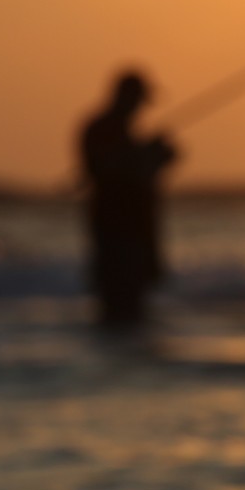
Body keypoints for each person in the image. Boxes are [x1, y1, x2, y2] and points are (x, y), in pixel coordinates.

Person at [79, 70, 177, 327]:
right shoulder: (99, 130)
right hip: (118, 234)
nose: (139, 109)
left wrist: (153, 155)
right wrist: (149, 156)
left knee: (132, 312)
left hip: (135, 233)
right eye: (138, 101)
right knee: (120, 309)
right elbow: (111, 172)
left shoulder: (121, 135)